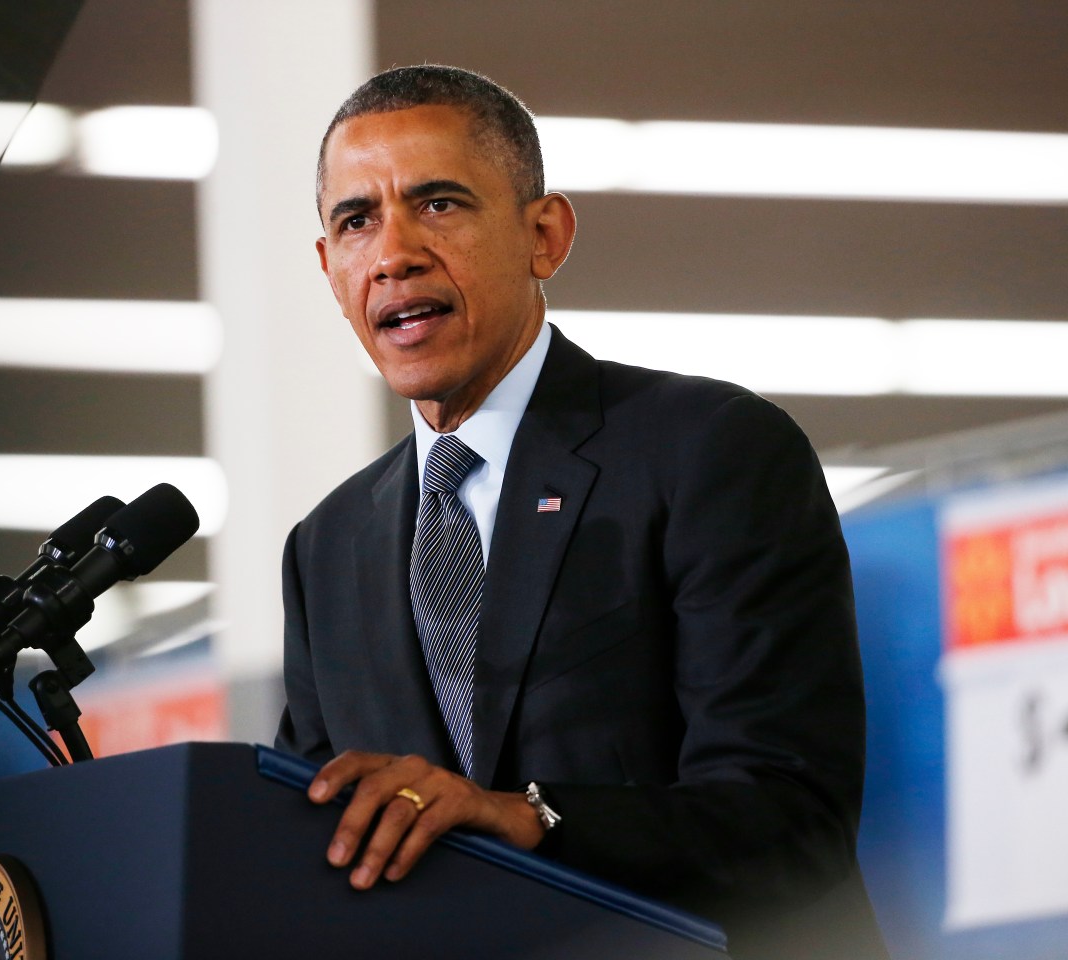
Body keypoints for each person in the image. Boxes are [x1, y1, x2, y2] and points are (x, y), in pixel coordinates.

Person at [275, 64, 889, 960]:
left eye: (439, 204)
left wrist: (530, 819)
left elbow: (789, 815)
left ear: (544, 235)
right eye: (357, 220)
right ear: (330, 268)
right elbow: (319, 844)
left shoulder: (709, 448)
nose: (394, 251)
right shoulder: (326, 548)